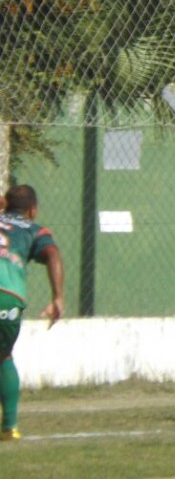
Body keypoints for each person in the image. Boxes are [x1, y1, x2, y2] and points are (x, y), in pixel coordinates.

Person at [0, 185, 64, 441]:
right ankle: (10, 427)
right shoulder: (34, 229)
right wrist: (57, 298)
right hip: (9, 298)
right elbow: (53, 254)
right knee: (3, 357)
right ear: (33, 210)